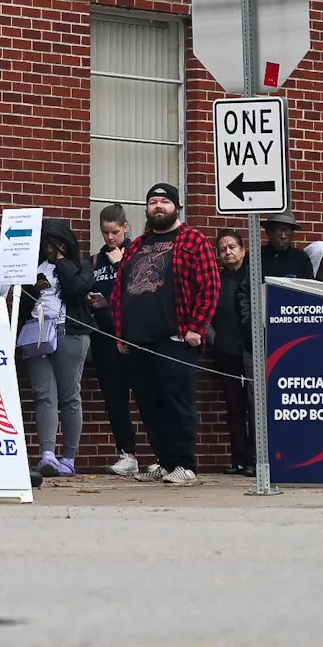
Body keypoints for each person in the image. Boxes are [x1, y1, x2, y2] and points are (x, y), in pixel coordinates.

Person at [112, 183, 220, 485]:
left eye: (164, 202)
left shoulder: (192, 240)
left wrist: (197, 327)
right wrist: (121, 334)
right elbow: (120, 292)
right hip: (138, 340)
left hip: (175, 338)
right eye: (153, 202)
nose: (158, 207)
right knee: (149, 405)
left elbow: (210, 287)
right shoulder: (137, 246)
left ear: (176, 207)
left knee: (177, 404)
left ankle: (185, 464)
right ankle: (165, 460)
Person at [21, 218, 91, 477]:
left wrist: (62, 261)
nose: (50, 249)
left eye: (56, 243)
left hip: (68, 333)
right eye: (47, 244)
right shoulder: (32, 268)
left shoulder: (82, 266)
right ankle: (47, 454)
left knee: (70, 396)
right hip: (37, 333)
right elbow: (23, 301)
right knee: (44, 395)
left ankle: (69, 457)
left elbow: (75, 289)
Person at [88, 204, 144, 477]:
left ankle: (165, 455)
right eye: (105, 232)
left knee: (148, 397)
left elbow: (141, 291)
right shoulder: (96, 260)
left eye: (114, 232)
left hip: (134, 336)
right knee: (115, 399)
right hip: (106, 337)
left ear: (125, 227)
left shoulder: (136, 253)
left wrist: (120, 263)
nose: (109, 238)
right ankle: (127, 453)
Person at [210, 227, 256, 475]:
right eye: (223, 249)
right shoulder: (216, 280)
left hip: (251, 350)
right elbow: (205, 313)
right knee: (234, 407)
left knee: (254, 405)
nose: (228, 252)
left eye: (232, 247)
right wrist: (213, 339)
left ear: (243, 250)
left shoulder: (253, 275)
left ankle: (254, 460)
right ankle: (238, 458)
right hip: (225, 352)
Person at [258, 213, 315, 280]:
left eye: (288, 231)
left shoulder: (301, 258)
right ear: (268, 231)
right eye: (278, 230)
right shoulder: (257, 256)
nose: (283, 236)